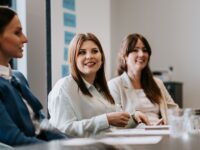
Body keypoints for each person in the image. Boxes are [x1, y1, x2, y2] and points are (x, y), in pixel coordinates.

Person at [48, 33, 145, 137]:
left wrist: (134, 118)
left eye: (94, 51)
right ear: (73, 59)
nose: (89, 56)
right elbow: (62, 130)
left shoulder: (99, 89)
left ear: (102, 57)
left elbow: (114, 124)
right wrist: (106, 120)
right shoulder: (64, 87)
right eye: (82, 52)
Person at [0, 6, 67, 146]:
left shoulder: (18, 78)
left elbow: (42, 123)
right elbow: (13, 139)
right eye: (17, 33)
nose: (25, 39)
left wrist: (74, 144)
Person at [108, 33, 179, 125]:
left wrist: (167, 121)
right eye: (135, 50)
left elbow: (173, 110)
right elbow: (116, 121)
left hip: (160, 132)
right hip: (133, 136)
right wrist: (148, 126)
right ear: (125, 56)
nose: (141, 54)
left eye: (145, 50)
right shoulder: (114, 85)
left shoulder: (157, 83)